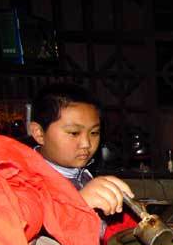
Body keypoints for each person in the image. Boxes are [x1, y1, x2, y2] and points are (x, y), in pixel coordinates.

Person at [29, 83, 134, 236]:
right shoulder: (23, 181)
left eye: (94, 133)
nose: (86, 144)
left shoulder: (82, 174)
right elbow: (26, 241)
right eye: (74, 133)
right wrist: (79, 205)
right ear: (39, 133)